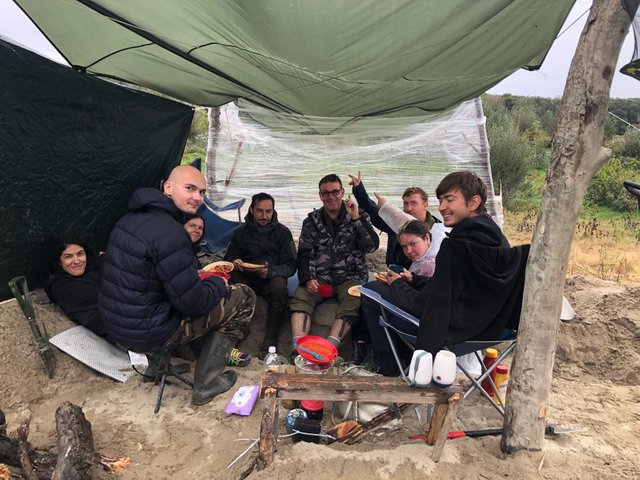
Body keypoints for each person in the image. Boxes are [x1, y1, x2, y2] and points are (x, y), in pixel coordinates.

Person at [99, 165, 256, 406]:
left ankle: (155, 368)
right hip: (149, 334)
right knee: (244, 296)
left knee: (153, 298)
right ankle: (207, 383)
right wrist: (217, 282)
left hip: (118, 327)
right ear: (168, 187)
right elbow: (192, 303)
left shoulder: (129, 218)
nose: (197, 197)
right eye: (190, 188)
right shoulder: (171, 233)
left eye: (202, 192)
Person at [361, 171, 528, 376]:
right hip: (491, 329)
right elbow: (461, 286)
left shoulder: (455, 247)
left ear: (473, 202)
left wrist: (397, 284)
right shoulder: (498, 240)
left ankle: (392, 368)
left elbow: (423, 305)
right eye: (440, 200)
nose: (442, 207)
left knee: (371, 290)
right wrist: (414, 279)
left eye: (450, 200)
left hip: (454, 332)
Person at [289, 174, 379, 358]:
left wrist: (356, 219)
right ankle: (297, 347)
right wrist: (308, 278)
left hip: (350, 276)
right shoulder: (312, 221)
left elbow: (371, 246)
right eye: (326, 193)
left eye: (335, 192)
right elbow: (305, 253)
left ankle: (330, 347)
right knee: (301, 296)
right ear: (320, 195)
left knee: (354, 298)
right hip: (321, 276)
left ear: (342, 192)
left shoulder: (359, 215)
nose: (331, 197)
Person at [224, 192, 297, 357]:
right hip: (246, 277)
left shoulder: (283, 233)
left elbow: (291, 265)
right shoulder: (240, 231)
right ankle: (237, 330)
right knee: (232, 274)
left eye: (268, 211)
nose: (264, 216)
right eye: (260, 211)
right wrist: (235, 261)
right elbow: (228, 257)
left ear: (273, 211)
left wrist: (271, 271)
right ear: (251, 209)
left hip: (269, 277)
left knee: (279, 286)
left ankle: (270, 338)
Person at [348, 171, 441, 269]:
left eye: (414, 203)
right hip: (392, 273)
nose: (408, 208)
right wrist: (359, 189)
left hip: (418, 279)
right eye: (406, 203)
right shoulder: (396, 222)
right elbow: (372, 210)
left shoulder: (437, 232)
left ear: (425, 205)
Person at [44, 236, 110, 340]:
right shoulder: (62, 286)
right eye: (68, 257)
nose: (76, 261)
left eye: (80, 254)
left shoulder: (91, 270)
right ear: (59, 261)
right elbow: (111, 294)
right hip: (119, 330)